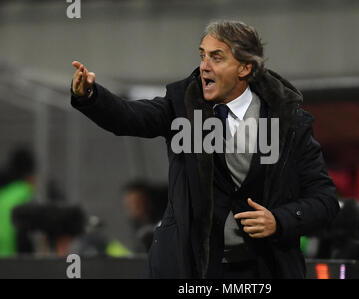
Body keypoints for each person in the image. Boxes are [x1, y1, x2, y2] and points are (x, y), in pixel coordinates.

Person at [70, 20, 339, 278]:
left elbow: (324, 201)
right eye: (202, 56)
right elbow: (128, 116)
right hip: (191, 270)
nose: (204, 67)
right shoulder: (181, 107)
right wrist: (91, 96)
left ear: (244, 68)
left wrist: (279, 221)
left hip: (263, 268)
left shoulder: (291, 124)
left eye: (217, 57)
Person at [122, 180, 168, 252]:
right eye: (129, 204)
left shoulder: (165, 221)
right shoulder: (138, 224)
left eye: (138, 203)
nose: (133, 207)